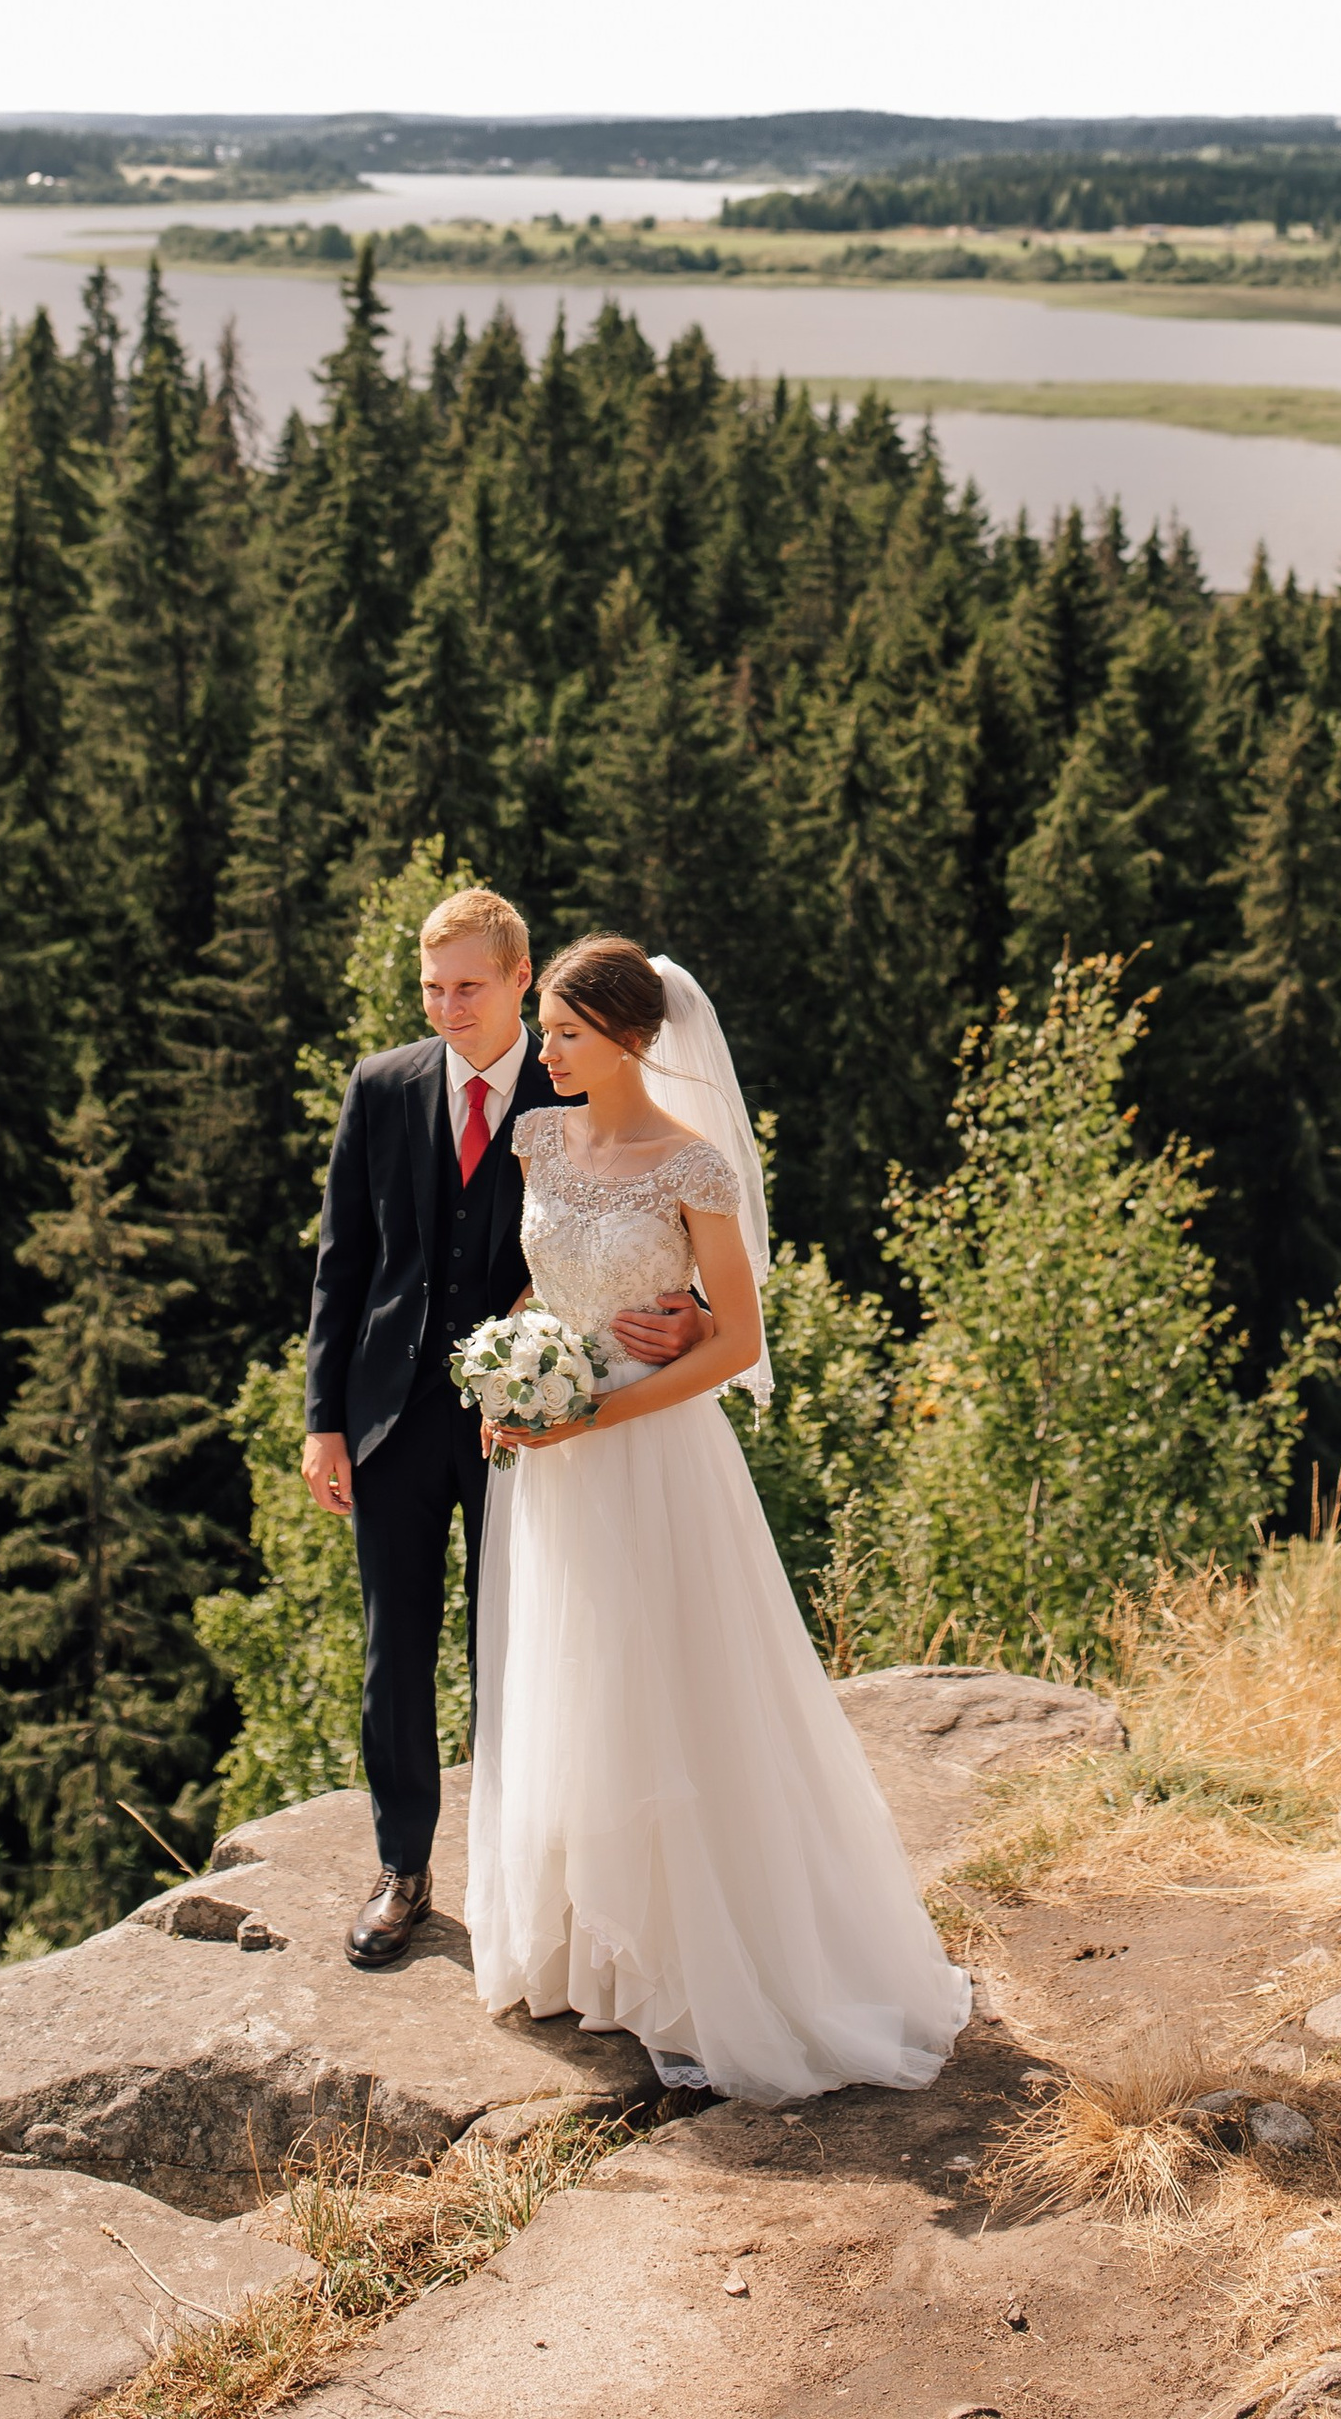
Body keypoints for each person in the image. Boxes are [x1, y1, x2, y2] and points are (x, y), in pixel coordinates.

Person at [465, 935, 970, 2100]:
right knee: (569, 1679)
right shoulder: (541, 1136)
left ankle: (697, 1964)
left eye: (566, 1032)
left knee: (660, 1686)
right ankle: (588, 1946)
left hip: (649, 1456)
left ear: (633, 1037)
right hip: (552, 1452)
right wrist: (513, 1365)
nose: (543, 1050)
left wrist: (601, 1406)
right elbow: (552, 1275)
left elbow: (738, 1340)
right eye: (544, 1027)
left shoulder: (692, 1166)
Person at [300, 888, 703, 1971]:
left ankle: (527, 1877)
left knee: (521, 1646)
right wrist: (323, 1419)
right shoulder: (379, 1086)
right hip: (386, 1417)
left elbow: (662, 1219)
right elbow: (343, 1262)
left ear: (522, 978)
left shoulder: (577, 1073)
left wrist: (693, 1310)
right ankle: (402, 1869)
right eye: (430, 987)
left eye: (467, 985)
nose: (446, 1007)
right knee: (396, 1651)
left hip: (528, 1425)